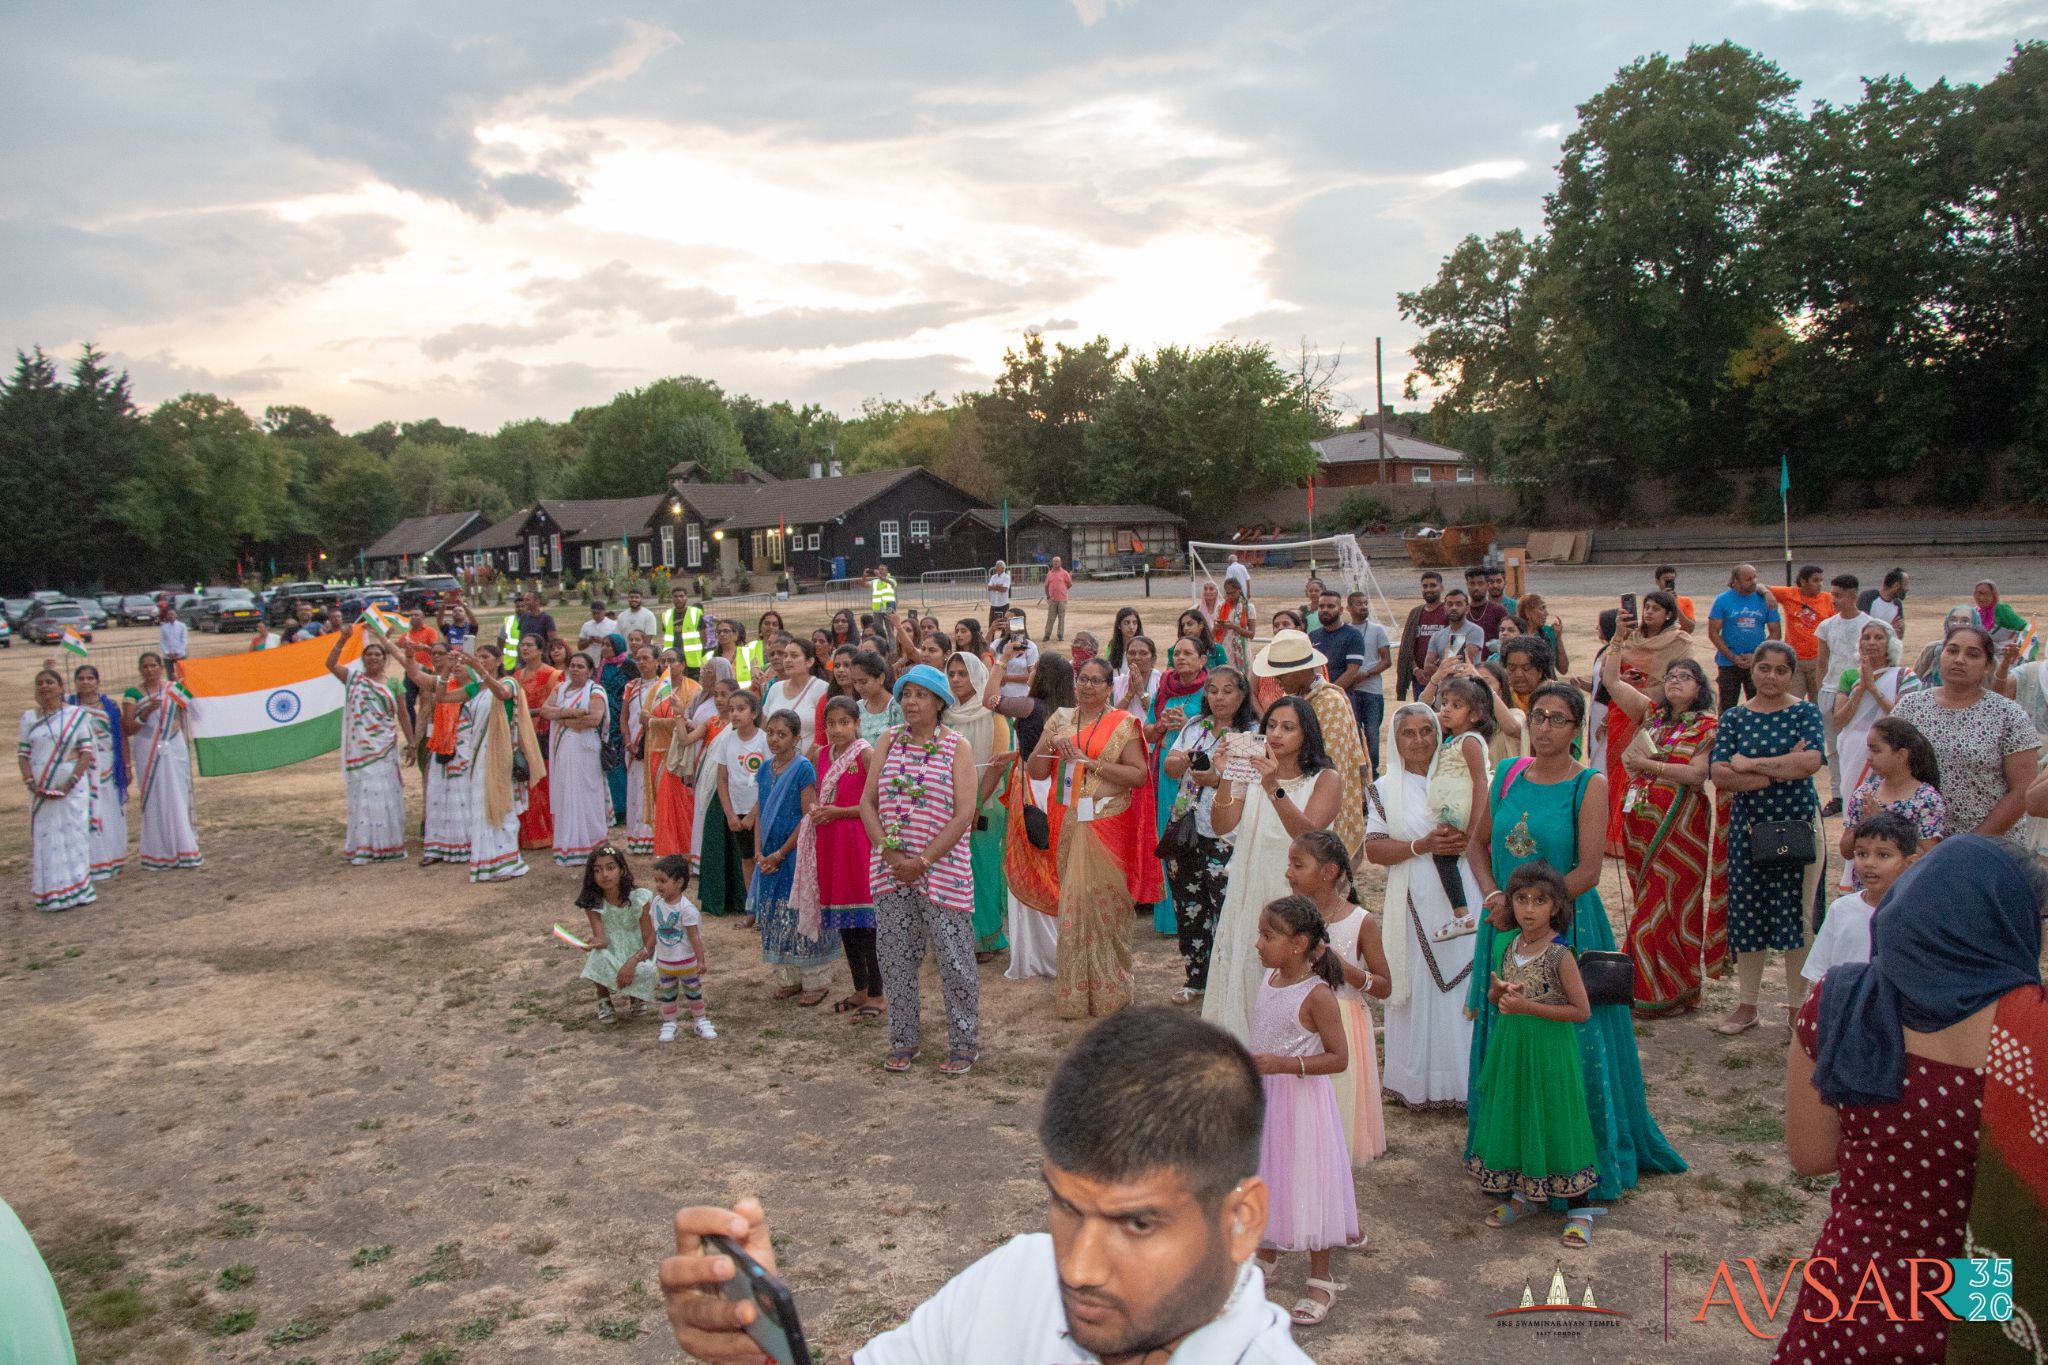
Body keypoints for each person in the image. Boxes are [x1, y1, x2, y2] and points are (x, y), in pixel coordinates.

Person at [660, 1008, 1313, 1365]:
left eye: (1136, 1223)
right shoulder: (1013, 1277)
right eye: (1065, 1204)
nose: (1078, 1267)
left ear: (1242, 1219)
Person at [1775, 835, 2043, 1365]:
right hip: (1984, 1273)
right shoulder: (2032, 1028)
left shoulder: (1837, 1000)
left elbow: (1810, 1157)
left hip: (1859, 1272)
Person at [1467, 682, 1687, 1207]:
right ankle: (1511, 1154)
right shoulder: (1506, 776)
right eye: (1537, 716)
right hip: (1502, 926)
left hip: (1565, 926)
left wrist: (1534, 910)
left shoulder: (1588, 784)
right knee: (1509, 1036)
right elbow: (1478, 846)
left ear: (1576, 729)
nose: (1544, 728)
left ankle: (1570, 1158)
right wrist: (1500, 897)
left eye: (1558, 719)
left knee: (1566, 1043)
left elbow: (1589, 870)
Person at [1466, 861, 1600, 1246]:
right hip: (1512, 1048)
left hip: (1551, 1053)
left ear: (1556, 906)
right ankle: (1524, 1195)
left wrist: (1530, 1008)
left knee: (1558, 1118)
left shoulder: (1561, 955)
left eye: (1539, 901)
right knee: (1521, 1113)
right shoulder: (1508, 945)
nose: (1528, 909)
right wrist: (1496, 992)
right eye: (1521, 899)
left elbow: (1581, 1011)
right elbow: (1496, 996)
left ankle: (1580, 1208)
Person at [1027, 655, 1161, 1021]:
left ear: (1108, 687)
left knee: (1107, 908)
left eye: (1095, 681)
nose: (1086, 686)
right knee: (1074, 906)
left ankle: (1112, 992)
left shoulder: (1123, 724)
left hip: (1109, 822)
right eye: (1081, 679)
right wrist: (1051, 744)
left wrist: (1088, 761)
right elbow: (1036, 770)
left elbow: (1137, 776)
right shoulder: (1060, 719)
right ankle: (1075, 995)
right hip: (1069, 821)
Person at [1246, 895, 1358, 1326]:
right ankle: (1266, 1257)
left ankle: (1320, 1278)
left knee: (1309, 1179)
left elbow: (1339, 1058)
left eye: (1268, 936)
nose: (1259, 944)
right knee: (1268, 1172)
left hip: (1302, 1102)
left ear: (1298, 944)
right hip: (1267, 1100)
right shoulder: (1270, 978)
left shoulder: (1318, 995)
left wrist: (1286, 1065)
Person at [1203, 696, 1342, 1043]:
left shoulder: (1326, 779)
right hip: (1249, 890)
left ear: (1306, 734)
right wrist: (1224, 777)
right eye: (1271, 726)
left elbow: (1308, 836)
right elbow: (1222, 825)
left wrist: (1272, 786)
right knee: (1247, 968)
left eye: (1288, 727)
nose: (1277, 734)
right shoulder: (1250, 774)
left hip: (1295, 895)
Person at [861, 664, 979, 1073]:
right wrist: (891, 856)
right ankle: (903, 1039)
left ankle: (964, 1043)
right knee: (895, 957)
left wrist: (924, 861)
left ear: (939, 702)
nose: (911, 702)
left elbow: (964, 813)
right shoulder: (888, 741)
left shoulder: (956, 746)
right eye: (906, 694)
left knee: (954, 959)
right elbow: (867, 803)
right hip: (891, 870)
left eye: (921, 695)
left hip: (943, 871)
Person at [1363, 703, 1479, 1109]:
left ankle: (1465, 1083)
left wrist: (1469, 840)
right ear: (1395, 741)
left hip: (1466, 890)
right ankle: (1417, 1083)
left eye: (1426, 731)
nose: (1418, 741)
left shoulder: (1459, 776)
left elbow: (1485, 826)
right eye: (1408, 733)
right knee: (1418, 985)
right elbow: (1373, 850)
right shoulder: (1383, 788)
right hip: (1412, 897)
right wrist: (1422, 846)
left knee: (1465, 984)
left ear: (1438, 734)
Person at [1601, 650, 1728, 1017]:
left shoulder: (1707, 726)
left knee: (1665, 907)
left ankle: (1661, 992)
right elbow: (1612, 682)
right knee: (1647, 901)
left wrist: (1647, 764)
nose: (1675, 681)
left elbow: (1695, 775)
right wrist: (1618, 641)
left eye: (1685, 677)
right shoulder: (1651, 715)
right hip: (1642, 825)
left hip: (1681, 831)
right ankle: (1674, 989)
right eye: (1671, 676)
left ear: (1700, 688)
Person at [1707, 639, 1824, 1034]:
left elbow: (1810, 763)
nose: (1771, 676)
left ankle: (1797, 1007)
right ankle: (1747, 1005)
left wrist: (1752, 765)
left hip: (1798, 827)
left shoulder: (1805, 711)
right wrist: (1779, 770)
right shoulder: (1735, 717)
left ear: (1791, 674)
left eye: (1780, 670)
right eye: (1764, 668)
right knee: (1749, 915)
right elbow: (1721, 773)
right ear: (1752, 670)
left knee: (1799, 917)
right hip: (1750, 828)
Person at [1284, 830, 1387, 1166]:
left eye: (1298, 865)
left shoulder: (1361, 922)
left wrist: (1347, 971)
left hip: (1342, 1024)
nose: (1288, 873)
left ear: (1328, 873)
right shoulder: (1287, 916)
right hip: (1298, 1023)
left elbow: (1384, 986)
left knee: (1335, 1115)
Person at [1161, 664, 1256, 1004]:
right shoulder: (1195, 727)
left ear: (1242, 695)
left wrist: (1217, 780)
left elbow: (1250, 785)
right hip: (1187, 827)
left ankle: (1230, 979)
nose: (1218, 697)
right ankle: (1196, 977)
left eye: (1227, 690)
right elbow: (1170, 767)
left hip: (1228, 833)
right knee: (1190, 905)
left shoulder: (1250, 734)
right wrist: (1189, 759)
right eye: (1213, 690)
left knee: (1226, 906)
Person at [1894, 622, 2037, 836]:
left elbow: (2022, 789)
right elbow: (1886, 768)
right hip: (1921, 844)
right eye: (1952, 651)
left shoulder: (2008, 714)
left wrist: (1970, 844)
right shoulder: (1909, 708)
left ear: (1988, 665)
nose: (1959, 660)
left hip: (1990, 844)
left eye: (1972, 655)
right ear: (1940, 655)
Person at [1253, 630, 1370, 871]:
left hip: (1322, 801)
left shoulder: (1329, 703)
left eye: (1282, 674)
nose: (1277, 681)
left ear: (1302, 669)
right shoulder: (1298, 698)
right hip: (1292, 796)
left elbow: (1330, 764)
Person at [793, 697, 879, 1018]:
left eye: (844, 722)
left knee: (867, 924)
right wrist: (816, 808)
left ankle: (878, 994)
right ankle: (860, 989)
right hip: (830, 844)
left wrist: (838, 812)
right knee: (846, 924)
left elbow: (876, 804)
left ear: (857, 724)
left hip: (857, 843)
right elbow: (819, 794)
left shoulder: (866, 755)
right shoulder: (822, 755)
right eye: (831, 723)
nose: (837, 729)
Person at [995, 653, 1075, 981]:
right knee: (1052, 864)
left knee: (1031, 863)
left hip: (1031, 786)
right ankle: (1055, 948)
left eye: (1035, 668)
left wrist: (999, 663)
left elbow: (990, 699)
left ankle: (1039, 953)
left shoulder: (1030, 706)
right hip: (1054, 788)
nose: (1029, 671)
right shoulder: (1067, 710)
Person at [752, 710, 837, 1005]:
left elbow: (808, 816)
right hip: (770, 852)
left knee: (801, 910)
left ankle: (815, 980)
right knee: (776, 912)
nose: (774, 739)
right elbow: (761, 812)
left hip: (795, 851)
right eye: (770, 733)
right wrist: (760, 852)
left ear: (796, 738)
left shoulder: (802, 769)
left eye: (782, 734)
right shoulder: (764, 769)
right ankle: (789, 977)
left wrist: (780, 852)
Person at [324, 628, 413, 865]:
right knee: (364, 793)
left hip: (384, 746)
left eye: (378, 655)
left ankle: (388, 844)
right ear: (363, 659)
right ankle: (363, 845)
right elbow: (331, 664)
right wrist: (342, 639)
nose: (373, 658)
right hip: (361, 748)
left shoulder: (394, 684)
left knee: (385, 791)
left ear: (385, 660)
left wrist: (412, 742)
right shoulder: (354, 679)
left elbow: (403, 714)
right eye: (369, 655)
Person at [1802, 810, 1920, 988]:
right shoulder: (1841, 909)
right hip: (1844, 1010)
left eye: (1883, 855)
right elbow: (1819, 975)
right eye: (1862, 854)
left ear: (1909, 863)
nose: (1869, 863)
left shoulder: (1919, 915)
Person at [944, 651, 1012, 958]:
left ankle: (989, 938)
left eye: (963, 673)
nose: (957, 680)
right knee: (956, 871)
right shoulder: (946, 714)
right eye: (952, 673)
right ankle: (962, 936)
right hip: (950, 806)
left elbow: (997, 765)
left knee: (982, 870)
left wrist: (973, 807)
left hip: (987, 803)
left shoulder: (994, 714)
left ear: (978, 676)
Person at [1143, 637, 1210, 940]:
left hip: (1198, 778)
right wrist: (1159, 727)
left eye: (1188, 653)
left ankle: (1197, 913)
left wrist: (1190, 723)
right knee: (1169, 841)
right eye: (1177, 653)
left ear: (1202, 660)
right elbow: (1146, 729)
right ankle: (1169, 919)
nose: (1181, 658)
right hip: (1167, 775)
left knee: (1194, 841)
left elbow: (1220, 727)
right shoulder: (1165, 690)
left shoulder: (1212, 691)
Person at [19, 668, 98, 912]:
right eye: (39, 683)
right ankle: (51, 892)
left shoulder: (76, 716)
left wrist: (70, 782)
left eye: (49, 682)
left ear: (61, 687)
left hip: (72, 790)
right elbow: (23, 755)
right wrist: (32, 783)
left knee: (74, 836)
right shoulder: (29, 718)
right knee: (46, 838)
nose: (44, 686)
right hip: (40, 789)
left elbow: (86, 751)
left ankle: (78, 888)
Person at [455, 644, 533, 884]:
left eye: (486, 657)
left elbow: (502, 694)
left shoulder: (509, 681)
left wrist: (480, 670)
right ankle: (485, 862)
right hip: (478, 756)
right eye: (478, 657)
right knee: (481, 804)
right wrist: (447, 671)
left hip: (499, 754)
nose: (481, 660)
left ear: (499, 661)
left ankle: (507, 862)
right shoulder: (475, 688)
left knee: (501, 803)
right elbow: (442, 697)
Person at [1829, 619, 1917, 832]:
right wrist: (1860, 688)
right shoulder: (1850, 676)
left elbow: (1905, 720)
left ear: (1890, 644)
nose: (1871, 642)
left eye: (1878, 637)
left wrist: (1874, 689)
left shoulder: (1904, 676)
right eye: (1866, 638)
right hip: (1854, 748)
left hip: (1891, 748)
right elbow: (1839, 721)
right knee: (1856, 806)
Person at [1837, 715, 1945, 880]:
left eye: (1876, 750)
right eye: (1869, 749)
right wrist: (1864, 824)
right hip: (1867, 892)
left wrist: (1883, 823)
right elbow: (1846, 851)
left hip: (1907, 892)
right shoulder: (1864, 794)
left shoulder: (1926, 800)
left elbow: (1929, 858)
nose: (1869, 757)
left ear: (1902, 755)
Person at [121, 652, 202, 872]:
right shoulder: (132, 693)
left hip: (173, 747)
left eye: (153, 665)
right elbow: (127, 728)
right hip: (147, 748)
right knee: (155, 797)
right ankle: (158, 851)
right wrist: (144, 714)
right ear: (140, 669)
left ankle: (183, 846)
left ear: (160, 668)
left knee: (177, 793)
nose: (149, 670)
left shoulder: (173, 688)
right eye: (145, 666)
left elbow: (195, 709)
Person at [1426, 675, 1493, 939]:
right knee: (1445, 857)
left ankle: (1462, 914)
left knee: (1444, 855)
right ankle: (1462, 913)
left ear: (1475, 714)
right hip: (1454, 805)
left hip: (1461, 807)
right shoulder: (1452, 740)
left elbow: (1480, 780)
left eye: (1456, 705)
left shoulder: (1469, 741)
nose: (1446, 710)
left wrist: (1474, 823)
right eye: (1444, 703)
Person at [1812, 573, 1879, 814]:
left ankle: (1866, 791)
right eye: (1833, 595)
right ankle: (1837, 795)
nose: (1834, 600)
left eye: (1839, 596)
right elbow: (1822, 662)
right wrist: (1822, 690)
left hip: (1862, 692)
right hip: (1832, 690)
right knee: (1833, 749)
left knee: (1864, 743)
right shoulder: (1827, 626)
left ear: (1853, 596)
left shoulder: (1870, 625)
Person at [703, 691, 770, 920]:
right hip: (737, 810)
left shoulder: (764, 740)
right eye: (731, 709)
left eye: (741, 708)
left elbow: (770, 781)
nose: (734, 713)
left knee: (762, 858)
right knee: (746, 859)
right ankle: (752, 909)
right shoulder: (726, 741)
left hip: (761, 810)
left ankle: (766, 909)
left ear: (754, 713)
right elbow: (722, 779)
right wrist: (730, 813)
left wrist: (754, 813)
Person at [541, 651, 610, 869]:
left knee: (586, 792)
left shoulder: (595, 690)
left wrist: (562, 720)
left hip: (585, 750)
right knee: (566, 791)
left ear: (590, 671)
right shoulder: (561, 688)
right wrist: (569, 712)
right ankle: (568, 844)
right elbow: (545, 710)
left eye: (581, 666)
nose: (575, 669)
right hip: (563, 750)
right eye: (573, 665)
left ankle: (591, 841)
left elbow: (593, 718)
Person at [575, 844, 657, 1024]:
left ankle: (636, 996)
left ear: (622, 870)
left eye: (610, 868)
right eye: (598, 870)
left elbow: (650, 941)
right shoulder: (594, 903)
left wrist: (633, 961)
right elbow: (602, 940)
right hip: (613, 951)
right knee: (597, 957)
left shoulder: (639, 898)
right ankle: (603, 998)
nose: (605, 875)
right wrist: (592, 942)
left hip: (638, 952)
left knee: (647, 969)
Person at [67, 664, 126, 883]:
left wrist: (126, 766)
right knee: (86, 810)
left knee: (108, 809)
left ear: (97, 682)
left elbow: (119, 737)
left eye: (90, 678)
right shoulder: (69, 706)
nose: (85, 682)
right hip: (81, 766)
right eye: (81, 678)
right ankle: (88, 860)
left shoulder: (110, 706)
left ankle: (112, 856)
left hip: (107, 762)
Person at [649, 853, 714, 1040]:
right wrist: (649, 951)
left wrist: (700, 960)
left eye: (663, 880)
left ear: (679, 882)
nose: (658, 885)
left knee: (694, 992)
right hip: (665, 963)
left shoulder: (686, 909)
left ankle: (700, 1021)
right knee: (667, 994)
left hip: (686, 963)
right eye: (657, 881)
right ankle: (669, 1023)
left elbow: (694, 937)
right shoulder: (656, 903)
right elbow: (655, 929)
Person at [1707, 562, 1782, 711]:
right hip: (1728, 663)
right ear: (1736, 581)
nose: (1753, 582)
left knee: (1759, 704)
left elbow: (1776, 632)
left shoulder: (1764, 599)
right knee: (1727, 705)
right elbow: (1713, 632)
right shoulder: (1722, 600)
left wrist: (1756, 655)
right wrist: (1732, 656)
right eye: (1748, 579)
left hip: (1757, 663)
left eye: (1754, 577)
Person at [512, 636, 561, 852]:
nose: (524, 649)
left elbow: (553, 706)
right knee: (523, 781)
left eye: (529, 645)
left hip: (541, 732)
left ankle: (547, 833)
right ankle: (527, 834)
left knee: (542, 783)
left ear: (541, 650)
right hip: (520, 733)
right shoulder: (516, 676)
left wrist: (526, 713)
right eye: (522, 645)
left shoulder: (552, 675)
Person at [1344, 592, 1391, 773]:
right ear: (1348, 608)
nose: (1363, 606)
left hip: (1372, 690)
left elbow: (1386, 660)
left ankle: (1374, 773)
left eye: (1365, 603)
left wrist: (1367, 674)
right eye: (1358, 604)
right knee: (1353, 734)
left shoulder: (1377, 630)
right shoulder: (1345, 631)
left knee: (1372, 734)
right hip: (1351, 691)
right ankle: (1358, 773)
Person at [1768, 563, 1831, 699]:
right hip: (1795, 659)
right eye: (1815, 580)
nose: (1820, 584)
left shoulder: (1828, 599)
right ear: (1803, 581)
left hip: (1818, 659)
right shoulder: (1789, 594)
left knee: (1819, 702)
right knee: (1792, 700)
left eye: (1821, 580)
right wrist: (1768, 594)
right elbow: (1760, 587)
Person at [622, 645, 660, 856]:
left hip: (654, 745)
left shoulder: (664, 685)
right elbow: (625, 717)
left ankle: (654, 835)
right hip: (634, 747)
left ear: (657, 661)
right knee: (636, 789)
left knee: (652, 789)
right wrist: (628, 740)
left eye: (646, 658)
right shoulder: (631, 686)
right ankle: (637, 835)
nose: (642, 662)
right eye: (639, 659)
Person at [761, 636, 830, 753]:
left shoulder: (821, 689)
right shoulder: (775, 688)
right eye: (786, 655)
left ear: (809, 662)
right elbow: (764, 728)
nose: (787, 660)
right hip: (776, 761)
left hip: (809, 763)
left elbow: (825, 733)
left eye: (794, 656)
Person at [1416, 588, 1483, 693]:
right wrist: (1447, 666)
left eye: (1459, 604)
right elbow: (1427, 667)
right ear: (1444, 608)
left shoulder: (1475, 631)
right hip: (1443, 691)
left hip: (1469, 690)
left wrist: (1441, 666)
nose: (1454, 608)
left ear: (1467, 609)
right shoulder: (1437, 635)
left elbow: (1460, 662)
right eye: (1450, 604)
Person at [1396, 571, 1448, 701]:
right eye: (1425, 586)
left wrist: (1436, 671)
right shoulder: (1415, 613)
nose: (1428, 589)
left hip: (1443, 678)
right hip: (1419, 678)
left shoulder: (1448, 612)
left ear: (1441, 588)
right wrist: (1416, 670)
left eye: (1433, 585)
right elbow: (1408, 646)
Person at [1512, 592, 1568, 676]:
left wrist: (1558, 639)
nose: (1547, 613)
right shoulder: (1514, 635)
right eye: (1542, 608)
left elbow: (1563, 670)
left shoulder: (1548, 633)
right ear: (1528, 612)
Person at [1213, 573, 1256, 674]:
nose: (1230, 596)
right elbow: (1214, 631)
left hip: (1242, 649)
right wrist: (1219, 625)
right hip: (1225, 648)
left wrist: (1234, 627)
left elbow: (1251, 634)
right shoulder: (1221, 607)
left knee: (1242, 677)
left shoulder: (1248, 608)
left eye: (1233, 593)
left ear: (1239, 590)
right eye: (1227, 593)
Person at [1858, 566, 1908, 639]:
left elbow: (1898, 635)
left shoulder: (1897, 604)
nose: (1907, 589)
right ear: (1896, 585)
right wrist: (1890, 629)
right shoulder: (1868, 597)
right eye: (1905, 585)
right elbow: (1862, 627)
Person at [1461, 567, 1507, 643]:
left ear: (1487, 585)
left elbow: (1506, 640)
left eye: (1480, 583)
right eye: (1472, 583)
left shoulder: (1499, 610)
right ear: (1467, 585)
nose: (1476, 588)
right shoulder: (1461, 611)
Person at [1653, 565, 1696, 631]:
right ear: (1657, 582)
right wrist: (1662, 600)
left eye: (1672, 580)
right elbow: (1650, 627)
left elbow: (1690, 629)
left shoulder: (1686, 601)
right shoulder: (1651, 601)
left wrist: (1675, 605)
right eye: (1666, 580)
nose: (1669, 583)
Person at [1041, 555, 1071, 641]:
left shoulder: (1065, 573)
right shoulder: (1049, 573)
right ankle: (1047, 635)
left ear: (1060, 563)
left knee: (1061, 618)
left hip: (1062, 600)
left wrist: (1063, 591)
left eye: (1057, 561)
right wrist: (1048, 596)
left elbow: (1069, 584)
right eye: (1054, 562)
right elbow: (1046, 586)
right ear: (1052, 563)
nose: (1056, 563)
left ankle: (1060, 635)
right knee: (1050, 618)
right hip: (1052, 600)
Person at [157, 602, 188, 679]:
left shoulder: (182, 626)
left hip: (180, 655)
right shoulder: (164, 627)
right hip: (168, 656)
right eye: (169, 614)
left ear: (176, 615)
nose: (171, 616)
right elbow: (162, 641)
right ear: (167, 616)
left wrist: (178, 652)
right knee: (170, 675)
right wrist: (167, 653)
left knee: (182, 674)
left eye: (172, 614)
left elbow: (184, 640)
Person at [986, 559, 1013, 628]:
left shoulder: (1006, 577)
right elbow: (989, 588)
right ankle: (991, 638)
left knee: (1004, 623)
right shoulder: (993, 577)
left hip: (1003, 603)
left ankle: (1003, 637)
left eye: (998, 566)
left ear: (1003, 568)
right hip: (994, 603)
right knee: (991, 623)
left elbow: (1004, 589)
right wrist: (998, 586)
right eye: (996, 566)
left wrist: (994, 587)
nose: (996, 568)